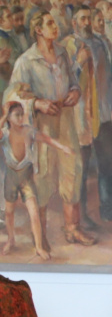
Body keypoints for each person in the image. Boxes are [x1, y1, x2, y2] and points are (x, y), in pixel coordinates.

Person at [5, 11, 95, 246]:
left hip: (65, 120)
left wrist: (75, 92)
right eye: (50, 23)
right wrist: (37, 103)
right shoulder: (26, 61)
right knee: (43, 174)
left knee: (72, 168)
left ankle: (72, 228)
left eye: (55, 22)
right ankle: (41, 236)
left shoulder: (63, 54)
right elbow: (11, 95)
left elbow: (74, 83)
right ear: (38, 30)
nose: (55, 27)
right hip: (40, 123)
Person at [63, 5, 112, 226]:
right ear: (74, 23)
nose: (87, 22)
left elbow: (106, 81)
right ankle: (81, 217)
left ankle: (108, 209)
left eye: (89, 18)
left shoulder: (99, 44)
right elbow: (63, 82)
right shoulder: (67, 46)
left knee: (107, 161)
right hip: (80, 116)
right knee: (80, 167)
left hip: (103, 115)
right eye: (83, 19)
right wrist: (78, 62)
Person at [0, 100, 72, 259]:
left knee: (34, 213)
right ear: (9, 118)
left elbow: (47, 139)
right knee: (9, 212)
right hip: (11, 178)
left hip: (26, 178)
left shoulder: (29, 131)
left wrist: (63, 147)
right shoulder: (4, 133)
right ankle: (11, 240)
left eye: (21, 114)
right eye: (16, 115)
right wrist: (4, 115)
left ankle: (39, 247)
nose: (20, 118)